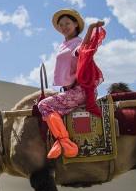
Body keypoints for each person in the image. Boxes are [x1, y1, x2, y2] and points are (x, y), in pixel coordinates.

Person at [37, 9, 104, 159]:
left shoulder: (77, 43)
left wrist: (92, 28)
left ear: (75, 24)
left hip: (80, 90)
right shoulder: (63, 45)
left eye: (67, 23)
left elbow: (84, 49)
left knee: (44, 105)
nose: (64, 26)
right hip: (68, 90)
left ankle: (64, 143)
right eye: (61, 24)